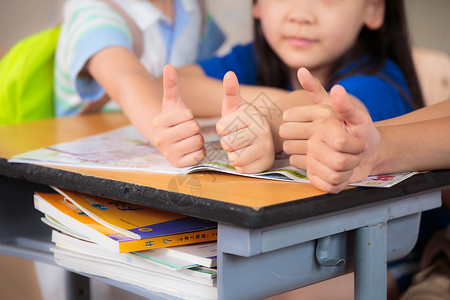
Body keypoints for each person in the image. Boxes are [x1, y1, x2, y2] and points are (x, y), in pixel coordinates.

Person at [150, 0, 424, 172]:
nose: (300, 14)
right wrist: (276, 102)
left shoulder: (382, 83)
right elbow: (178, 83)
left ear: (373, 8)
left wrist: (264, 123)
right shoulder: (254, 58)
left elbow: (335, 110)